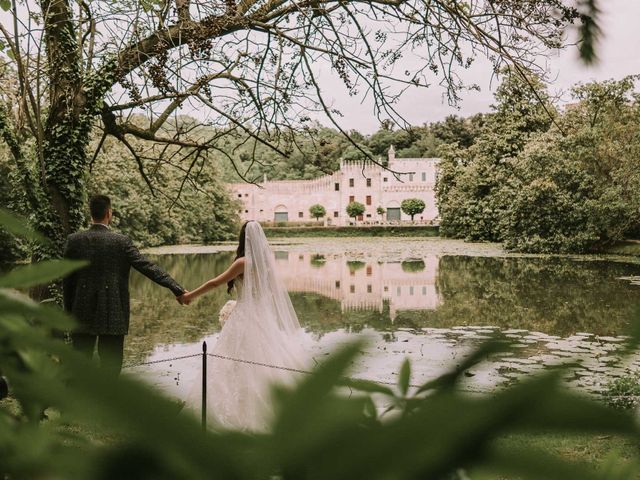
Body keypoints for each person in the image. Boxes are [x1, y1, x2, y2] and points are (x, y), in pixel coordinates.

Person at [181, 220, 307, 431]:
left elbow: (214, 283)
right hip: (262, 315)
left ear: (243, 238)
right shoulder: (266, 263)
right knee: (263, 361)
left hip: (245, 315)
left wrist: (190, 295)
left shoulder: (243, 263)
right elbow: (273, 293)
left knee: (237, 362)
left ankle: (242, 413)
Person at [63, 195, 188, 375]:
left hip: (81, 311)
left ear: (91, 214)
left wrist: (68, 312)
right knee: (111, 368)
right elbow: (147, 267)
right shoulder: (121, 242)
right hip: (112, 311)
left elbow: (67, 280)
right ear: (109, 213)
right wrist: (175, 287)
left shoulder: (74, 240)